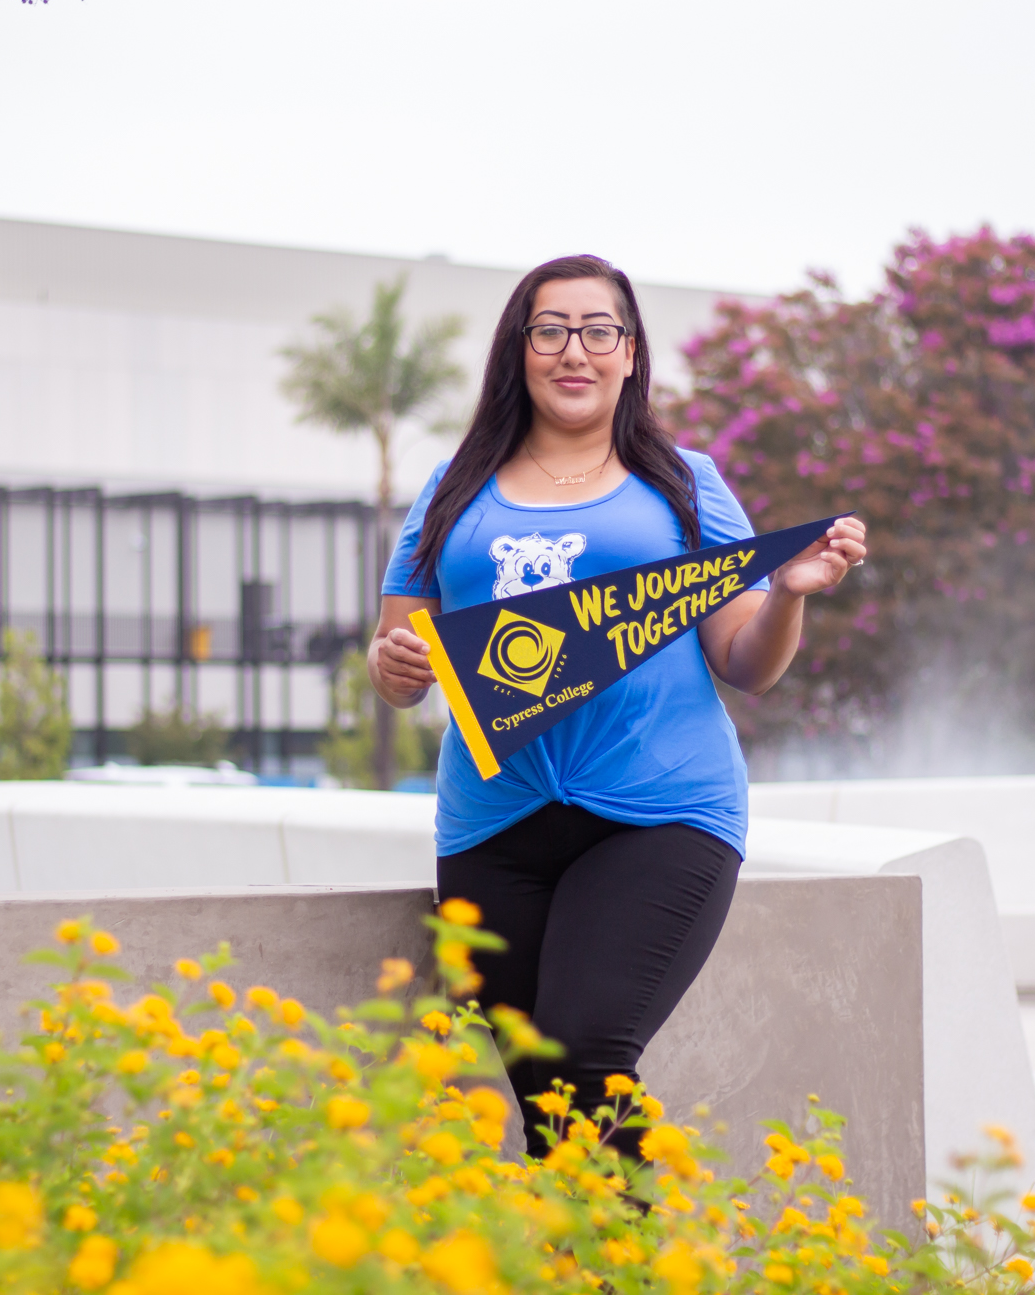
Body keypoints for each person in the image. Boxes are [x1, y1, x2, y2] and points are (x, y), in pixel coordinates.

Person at [370, 254, 869, 1157]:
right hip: (492, 822)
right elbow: (396, 655)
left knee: (588, 1048)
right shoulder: (452, 488)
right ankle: (595, 1264)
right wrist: (399, 664)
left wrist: (786, 591)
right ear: (519, 350)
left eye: (600, 331)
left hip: (661, 811)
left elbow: (746, 664)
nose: (576, 350)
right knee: (544, 1090)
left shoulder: (684, 482)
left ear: (631, 354)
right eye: (551, 329)